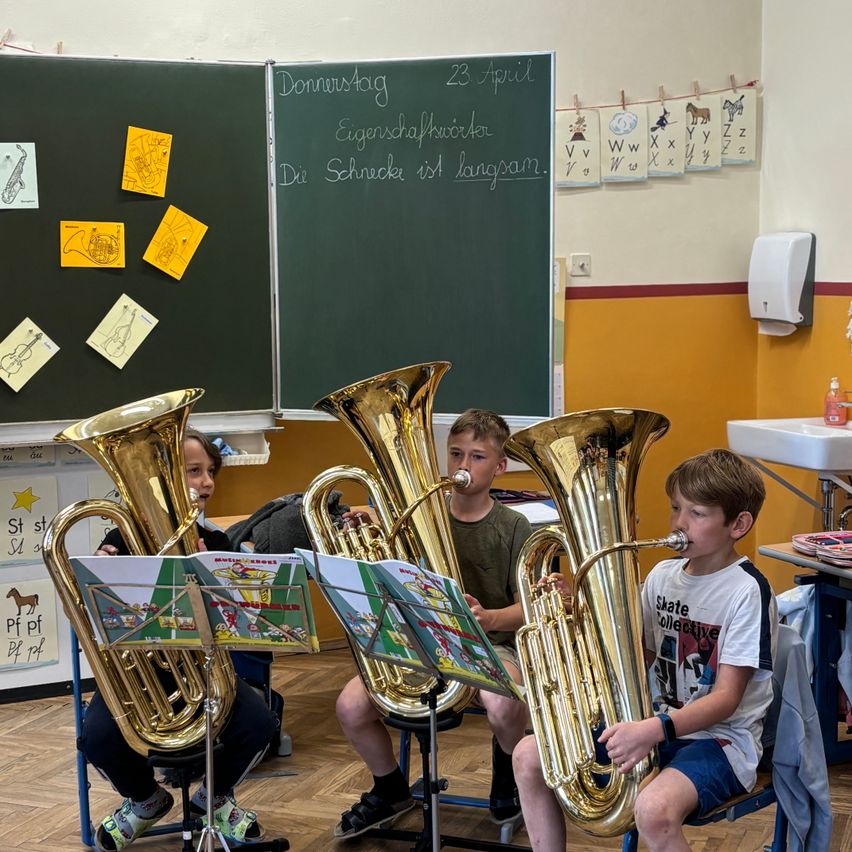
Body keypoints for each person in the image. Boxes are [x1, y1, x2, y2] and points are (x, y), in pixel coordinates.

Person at [513, 448, 778, 852]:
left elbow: (726, 699)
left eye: (697, 514)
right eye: (676, 508)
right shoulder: (662, 575)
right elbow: (641, 657)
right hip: (650, 725)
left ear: (738, 524)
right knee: (529, 755)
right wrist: (577, 609)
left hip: (720, 742)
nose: (678, 524)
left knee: (653, 809)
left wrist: (654, 729)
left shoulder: (747, 591)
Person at [333, 409, 533, 838]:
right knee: (350, 706)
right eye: (456, 453)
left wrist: (488, 616)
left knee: (501, 704)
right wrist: (371, 534)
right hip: (423, 644)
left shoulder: (513, 526)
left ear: (500, 466)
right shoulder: (422, 515)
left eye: (478, 457)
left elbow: (528, 608)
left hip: (492, 643)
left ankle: (513, 778)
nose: (463, 466)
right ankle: (390, 789)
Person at [81, 429, 278, 851]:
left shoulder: (218, 543)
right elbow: (95, 618)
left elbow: (236, 626)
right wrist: (103, 577)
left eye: (210, 472)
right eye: (193, 472)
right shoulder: (118, 540)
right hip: (140, 677)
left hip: (206, 675)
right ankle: (145, 800)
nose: (206, 482)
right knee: (97, 736)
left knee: (258, 723)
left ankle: (215, 798)